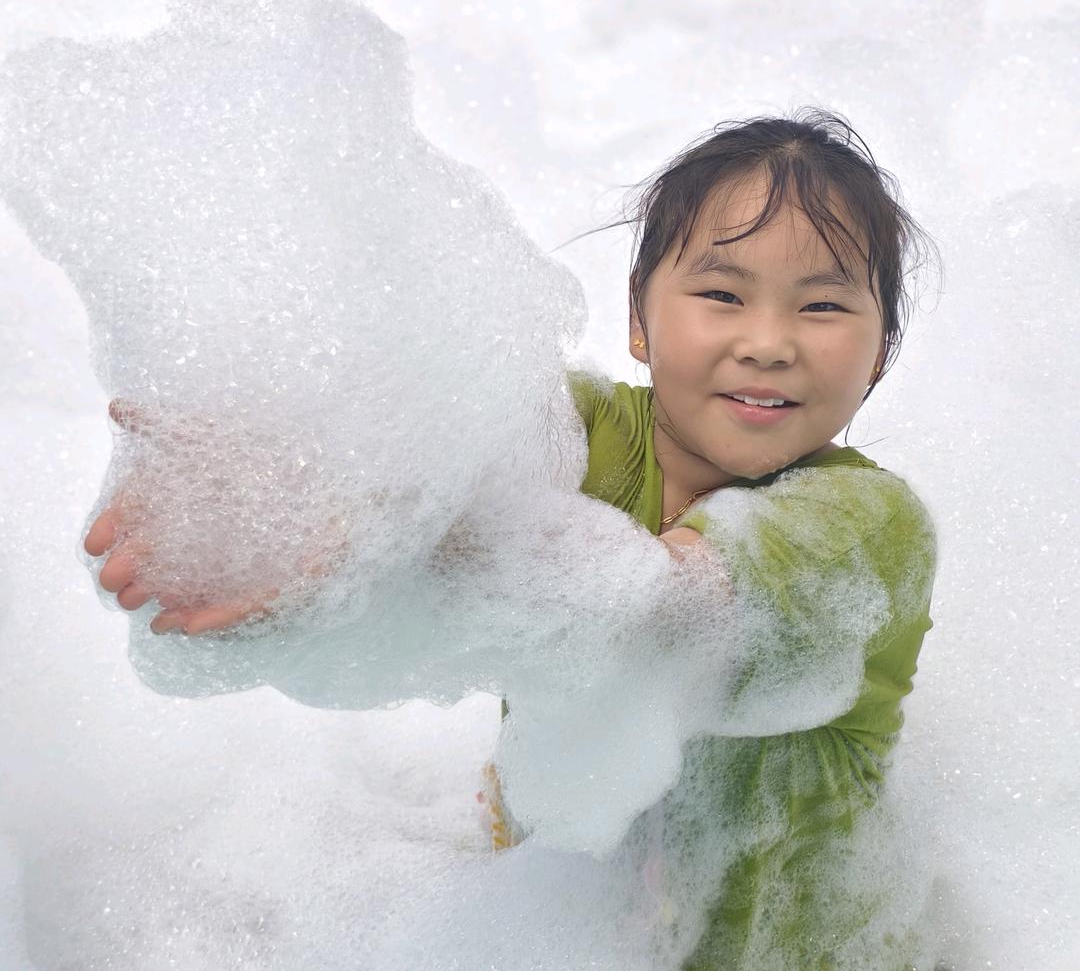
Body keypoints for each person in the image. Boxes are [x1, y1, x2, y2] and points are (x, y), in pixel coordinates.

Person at [84, 110, 937, 969]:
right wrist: (317, 494)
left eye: (822, 306)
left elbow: (660, 615)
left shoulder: (870, 525)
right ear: (640, 321)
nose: (768, 343)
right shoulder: (573, 432)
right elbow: (427, 460)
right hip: (543, 923)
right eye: (721, 295)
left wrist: (402, 550)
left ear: (879, 354)